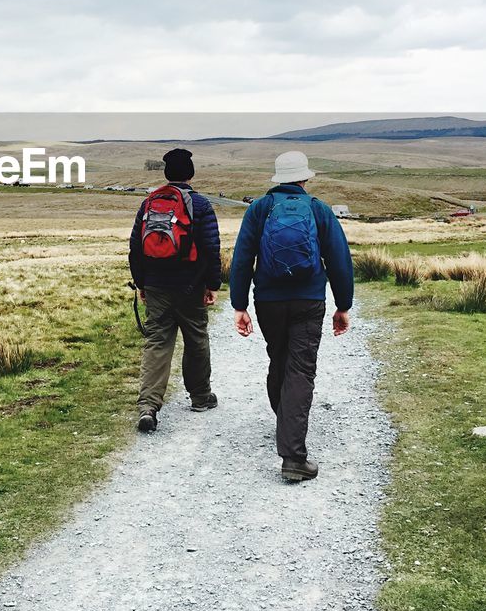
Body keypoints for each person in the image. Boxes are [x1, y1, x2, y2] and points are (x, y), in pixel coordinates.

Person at [229, 150, 353, 480]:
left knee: (279, 358)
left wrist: (239, 305)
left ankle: (286, 422)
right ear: (305, 178)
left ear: (277, 178)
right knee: (301, 369)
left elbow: (242, 258)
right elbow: (340, 260)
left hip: (268, 300)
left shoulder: (259, 209)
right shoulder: (318, 210)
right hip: (309, 300)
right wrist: (343, 305)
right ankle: (293, 456)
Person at [128, 148, 222, 432]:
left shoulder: (149, 203)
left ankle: (148, 406)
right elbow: (211, 248)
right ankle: (201, 396)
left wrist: (142, 283)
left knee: (157, 342)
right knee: (196, 339)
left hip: (156, 284)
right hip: (190, 285)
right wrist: (212, 284)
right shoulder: (201, 204)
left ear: (167, 174)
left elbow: (135, 247)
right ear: (190, 174)